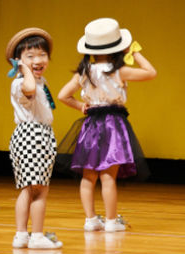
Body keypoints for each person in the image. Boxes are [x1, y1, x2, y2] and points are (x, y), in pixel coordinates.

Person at [57, 18, 156, 232]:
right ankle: (111, 222)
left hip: (91, 124)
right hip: (113, 124)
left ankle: (91, 220)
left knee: (88, 176)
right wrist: (135, 52)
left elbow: (63, 95)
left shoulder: (85, 72)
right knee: (108, 176)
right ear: (118, 48)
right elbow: (151, 72)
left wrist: (80, 106)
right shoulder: (119, 71)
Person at [7, 28, 63, 249]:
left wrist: (28, 68)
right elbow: (28, 87)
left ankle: (22, 235)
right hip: (32, 135)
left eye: (42, 55)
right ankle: (36, 236)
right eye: (30, 56)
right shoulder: (21, 82)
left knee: (30, 189)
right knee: (38, 190)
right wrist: (24, 70)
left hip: (39, 135)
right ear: (18, 61)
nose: (38, 60)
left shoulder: (40, 81)